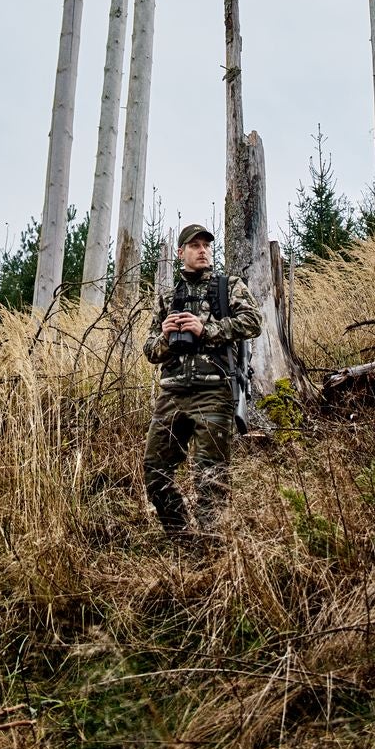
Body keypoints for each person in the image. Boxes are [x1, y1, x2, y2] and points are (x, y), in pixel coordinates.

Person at [142, 223, 262, 536]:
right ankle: (183, 539)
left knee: (211, 479)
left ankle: (212, 553)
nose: (203, 251)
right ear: (180, 253)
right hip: (172, 394)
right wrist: (167, 337)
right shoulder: (168, 296)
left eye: (206, 245)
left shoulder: (227, 286)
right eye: (194, 246)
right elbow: (150, 350)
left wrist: (204, 330)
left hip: (213, 391)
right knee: (155, 474)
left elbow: (253, 321)